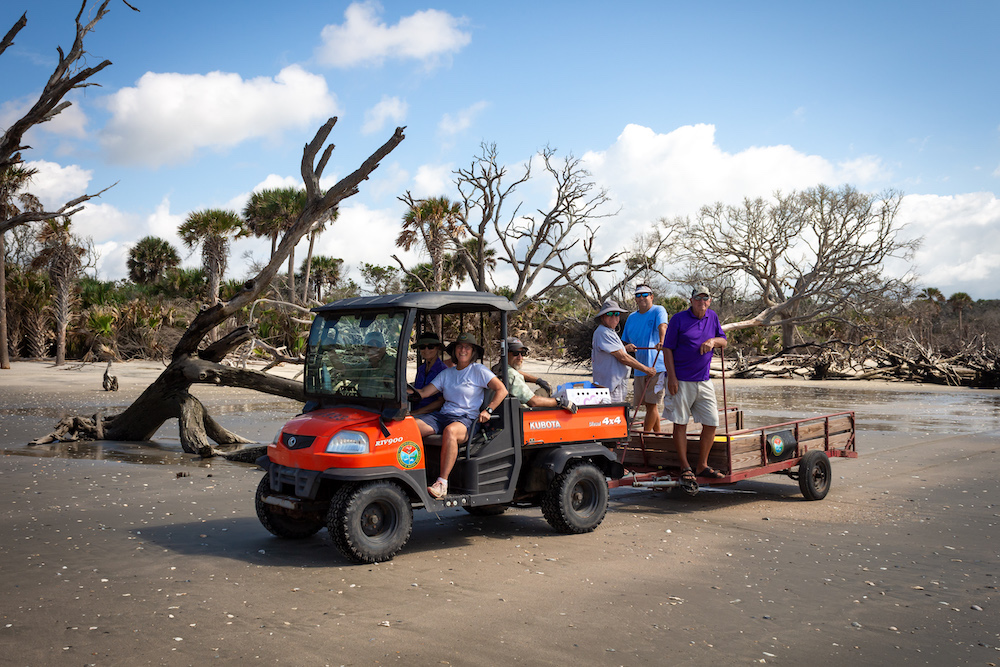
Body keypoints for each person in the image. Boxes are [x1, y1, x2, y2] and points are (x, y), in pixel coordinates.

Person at [409, 332, 508, 499]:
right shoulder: (447, 373)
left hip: (467, 419)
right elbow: (424, 393)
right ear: (454, 351)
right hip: (442, 416)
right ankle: (410, 474)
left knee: (450, 431)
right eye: (459, 347)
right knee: (408, 427)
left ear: (472, 351)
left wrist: (488, 410)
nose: (463, 350)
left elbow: (502, 390)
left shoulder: (478, 370)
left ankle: (442, 483)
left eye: (467, 347)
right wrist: (399, 389)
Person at [663, 285, 728, 482]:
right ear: (691, 300)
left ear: (709, 301)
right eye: (698, 298)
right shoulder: (679, 319)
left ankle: (702, 465)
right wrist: (672, 378)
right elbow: (667, 349)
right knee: (680, 422)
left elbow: (723, 340)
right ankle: (685, 466)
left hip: (704, 380)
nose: (702, 302)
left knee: (711, 422)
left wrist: (712, 341)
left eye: (705, 299)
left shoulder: (712, 317)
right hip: (681, 380)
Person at [621, 284, 669, 432]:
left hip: (656, 366)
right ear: (635, 299)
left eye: (645, 295)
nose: (641, 298)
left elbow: (663, 326)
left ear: (651, 297)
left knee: (652, 404)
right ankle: (658, 436)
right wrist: (627, 347)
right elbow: (624, 341)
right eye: (638, 295)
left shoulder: (658, 310)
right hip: (640, 367)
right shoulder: (631, 317)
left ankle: (646, 437)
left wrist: (662, 341)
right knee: (648, 405)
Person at [591, 300, 656, 402]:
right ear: (602, 317)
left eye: (616, 314)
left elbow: (611, 353)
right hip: (609, 387)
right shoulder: (603, 332)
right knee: (612, 415)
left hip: (615, 385)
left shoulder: (609, 331)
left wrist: (625, 348)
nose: (614, 317)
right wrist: (646, 370)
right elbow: (622, 357)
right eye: (609, 314)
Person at [495, 337, 576, 412]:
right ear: (506, 354)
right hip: (522, 412)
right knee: (545, 390)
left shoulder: (498, 368)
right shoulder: (513, 375)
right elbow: (534, 402)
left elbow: (515, 373)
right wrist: (559, 402)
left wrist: (537, 380)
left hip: (503, 410)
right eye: (516, 353)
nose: (520, 357)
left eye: (523, 353)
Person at [328, 331, 396, 398]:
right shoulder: (364, 367)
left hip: (386, 407)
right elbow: (342, 369)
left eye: (377, 345)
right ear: (365, 349)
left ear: (383, 347)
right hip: (363, 406)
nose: (375, 348)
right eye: (369, 346)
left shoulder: (395, 365)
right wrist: (330, 350)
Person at [411, 332, 448, 415]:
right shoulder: (421, 369)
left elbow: (441, 401)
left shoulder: (443, 370)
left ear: (437, 348)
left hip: (433, 415)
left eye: (430, 347)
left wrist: (415, 412)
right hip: (416, 411)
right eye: (422, 347)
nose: (426, 350)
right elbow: (416, 393)